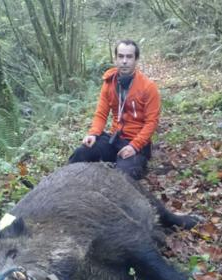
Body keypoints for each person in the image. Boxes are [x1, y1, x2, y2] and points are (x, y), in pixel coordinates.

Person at [68, 39, 161, 180]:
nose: (124, 61)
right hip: (114, 139)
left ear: (136, 60)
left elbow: (151, 122)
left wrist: (134, 146)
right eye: (121, 56)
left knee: (123, 177)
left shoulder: (148, 87)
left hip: (136, 143)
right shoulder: (109, 83)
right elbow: (101, 114)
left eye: (129, 57)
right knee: (81, 154)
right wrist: (93, 134)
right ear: (115, 59)